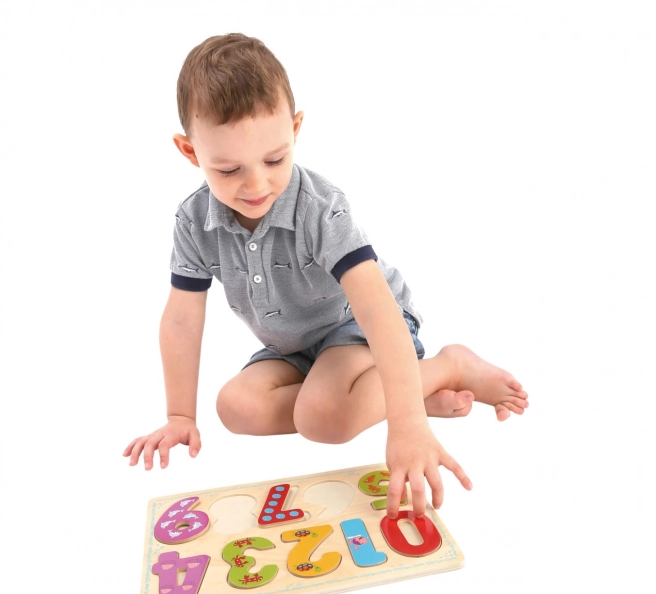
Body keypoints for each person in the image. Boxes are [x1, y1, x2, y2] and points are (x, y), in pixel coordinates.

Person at [123, 33, 529, 519]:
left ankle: (447, 368)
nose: (257, 185)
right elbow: (182, 321)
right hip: (292, 347)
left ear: (295, 129)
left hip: (355, 328)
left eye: (274, 159)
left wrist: (408, 425)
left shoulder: (320, 209)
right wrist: (179, 416)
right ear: (190, 152)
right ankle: (391, 393)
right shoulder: (193, 220)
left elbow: (377, 310)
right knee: (235, 408)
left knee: (322, 418)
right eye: (228, 169)